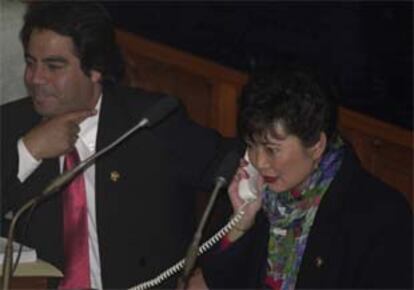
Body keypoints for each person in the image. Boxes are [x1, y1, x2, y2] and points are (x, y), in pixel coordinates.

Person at [0, 2, 232, 289]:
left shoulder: (149, 122)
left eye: (53, 66)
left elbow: (239, 170)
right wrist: (28, 151)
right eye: (30, 62)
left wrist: (212, 272)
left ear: (95, 69)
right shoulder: (11, 124)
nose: (34, 78)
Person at [201, 64, 413, 289]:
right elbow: (218, 281)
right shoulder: (260, 193)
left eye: (272, 149)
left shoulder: (381, 217)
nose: (259, 162)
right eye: (252, 145)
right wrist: (240, 226)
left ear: (316, 146)